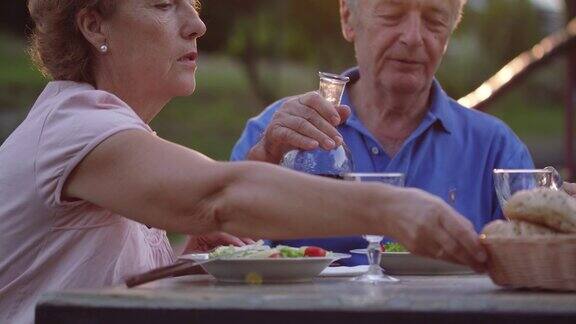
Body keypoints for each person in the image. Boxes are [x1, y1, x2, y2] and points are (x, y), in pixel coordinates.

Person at [0, 1, 488, 322]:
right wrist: (392, 207)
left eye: (190, 2)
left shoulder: (113, 133)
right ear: (93, 24)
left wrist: (196, 248)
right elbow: (218, 195)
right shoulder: (74, 125)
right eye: (163, 4)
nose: (196, 23)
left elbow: (114, 287)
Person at [231, 0, 534, 265]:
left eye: (434, 20)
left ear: (450, 31)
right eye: (392, 13)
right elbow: (225, 259)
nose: (413, 37)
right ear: (348, 18)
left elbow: (534, 263)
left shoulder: (495, 149)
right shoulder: (275, 134)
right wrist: (265, 161)